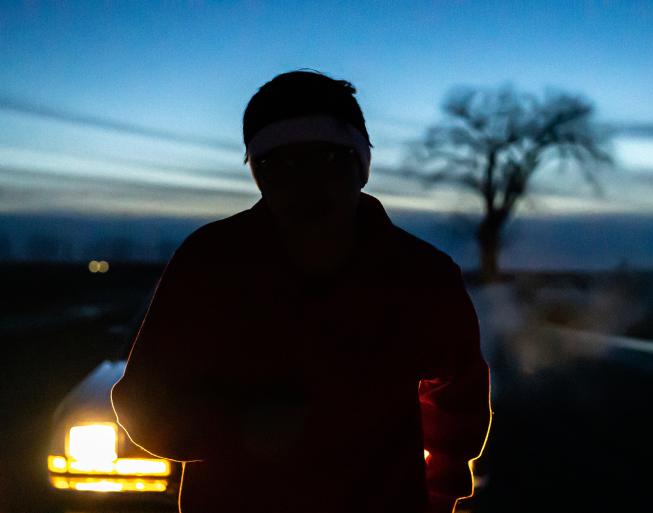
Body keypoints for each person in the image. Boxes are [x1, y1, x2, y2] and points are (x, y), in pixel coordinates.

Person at [111, 70, 491, 513]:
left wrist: (439, 493)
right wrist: (241, 426)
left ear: (359, 165)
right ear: (258, 173)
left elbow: (458, 406)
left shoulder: (422, 276)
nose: (305, 181)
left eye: (326, 157)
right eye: (279, 162)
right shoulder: (212, 265)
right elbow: (144, 403)